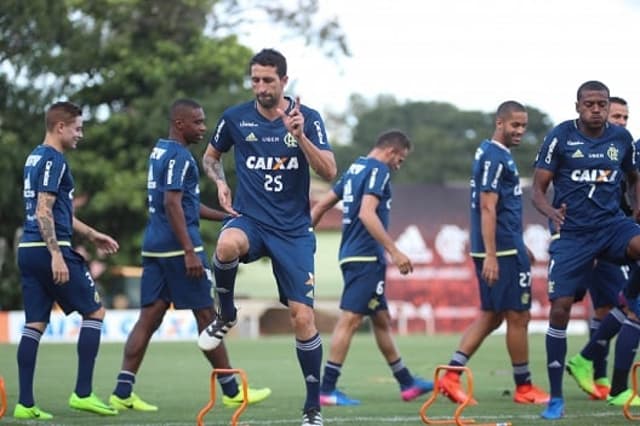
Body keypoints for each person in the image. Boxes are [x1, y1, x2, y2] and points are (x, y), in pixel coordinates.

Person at [197, 48, 337, 426]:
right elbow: (210, 158)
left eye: (268, 80)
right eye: (255, 80)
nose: (260, 87)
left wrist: (301, 137)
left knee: (302, 318)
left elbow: (329, 171)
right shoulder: (235, 118)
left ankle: (312, 408)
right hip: (252, 221)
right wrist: (221, 183)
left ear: (284, 82)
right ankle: (225, 313)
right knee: (226, 245)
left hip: (292, 231)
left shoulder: (307, 118)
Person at [109, 99, 271, 412]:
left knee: (150, 317)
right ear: (180, 124)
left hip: (154, 245)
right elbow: (172, 204)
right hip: (178, 249)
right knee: (208, 316)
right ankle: (232, 390)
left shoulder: (160, 151)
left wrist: (225, 216)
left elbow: (184, 204)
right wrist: (188, 252)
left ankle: (122, 390)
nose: (203, 128)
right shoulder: (181, 157)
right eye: (197, 122)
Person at [532, 81, 640, 420]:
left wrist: (636, 210)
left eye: (602, 104)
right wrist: (550, 213)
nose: (596, 109)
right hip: (573, 233)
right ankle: (556, 398)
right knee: (561, 308)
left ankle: (630, 300)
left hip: (611, 226)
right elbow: (538, 187)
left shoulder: (621, 139)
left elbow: (635, 176)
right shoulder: (561, 137)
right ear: (578, 106)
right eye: (589, 104)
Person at [437, 101, 550, 406]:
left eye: (524, 126)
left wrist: (520, 243)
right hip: (499, 251)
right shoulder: (493, 156)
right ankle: (524, 387)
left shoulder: (497, 155)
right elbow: (487, 207)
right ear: (500, 123)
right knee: (518, 315)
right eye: (515, 125)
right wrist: (491, 255)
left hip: (507, 246)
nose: (520, 131)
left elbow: (501, 208)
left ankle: (451, 375)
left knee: (493, 315)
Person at [310, 130, 434, 406]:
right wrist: (395, 250)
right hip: (366, 258)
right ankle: (327, 389)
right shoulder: (379, 170)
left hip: (351, 255)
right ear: (391, 151)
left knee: (380, 320)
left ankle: (407, 383)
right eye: (399, 160)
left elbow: (321, 206)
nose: (398, 166)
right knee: (350, 320)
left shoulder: (355, 168)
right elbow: (367, 213)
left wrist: (304, 239)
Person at [14, 101, 119, 419]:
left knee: (34, 324)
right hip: (50, 248)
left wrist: (91, 234)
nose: (80, 134)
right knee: (95, 311)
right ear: (60, 127)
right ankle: (83, 393)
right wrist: (57, 255)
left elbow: (55, 211)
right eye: (78, 127)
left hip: (28, 250)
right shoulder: (54, 160)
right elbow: (44, 211)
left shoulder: (34, 157)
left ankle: (25, 404)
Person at [566, 96, 634, 401]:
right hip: (608, 240)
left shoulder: (623, 147)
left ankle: (590, 361)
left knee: (625, 305)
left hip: (625, 239)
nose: (621, 122)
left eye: (625, 117)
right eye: (616, 116)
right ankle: (612, 382)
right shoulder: (616, 150)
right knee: (625, 308)